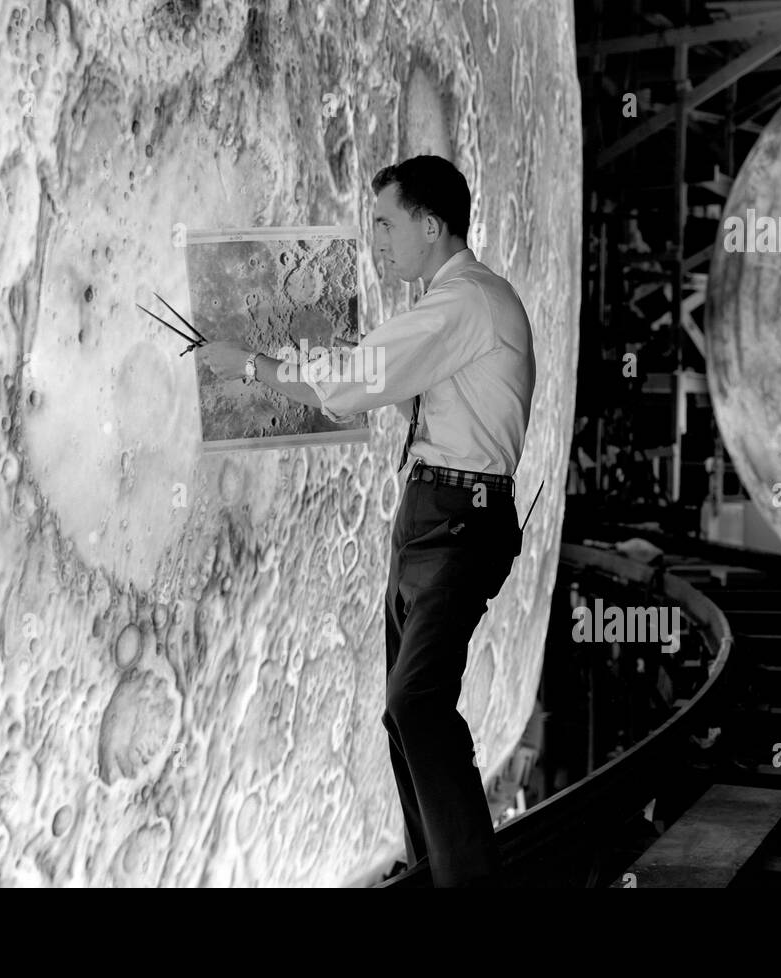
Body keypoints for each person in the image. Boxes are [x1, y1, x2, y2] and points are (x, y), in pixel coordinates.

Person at [199, 154, 536, 887]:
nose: (376, 243)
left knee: (416, 703)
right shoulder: (455, 303)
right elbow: (374, 370)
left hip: (455, 520)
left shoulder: (463, 303)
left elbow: (357, 381)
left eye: (385, 225)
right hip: (434, 517)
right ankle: (436, 868)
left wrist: (254, 365)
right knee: (402, 716)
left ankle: (467, 885)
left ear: (430, 223)